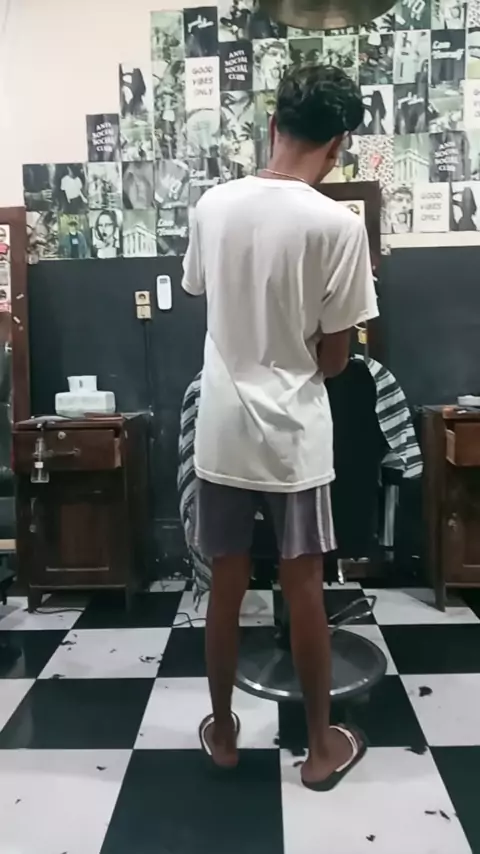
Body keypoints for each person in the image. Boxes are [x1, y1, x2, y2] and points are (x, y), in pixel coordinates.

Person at [182, 64, 378, 791]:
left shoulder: (213, 205)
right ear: (338, 144)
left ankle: (224, 733)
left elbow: (201, 291)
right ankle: (320, 749)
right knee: (304, 590)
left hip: (222, 429)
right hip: (295, 434)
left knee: (226, 585)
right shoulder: (339, 225)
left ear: (273, 125)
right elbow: (335, 358)